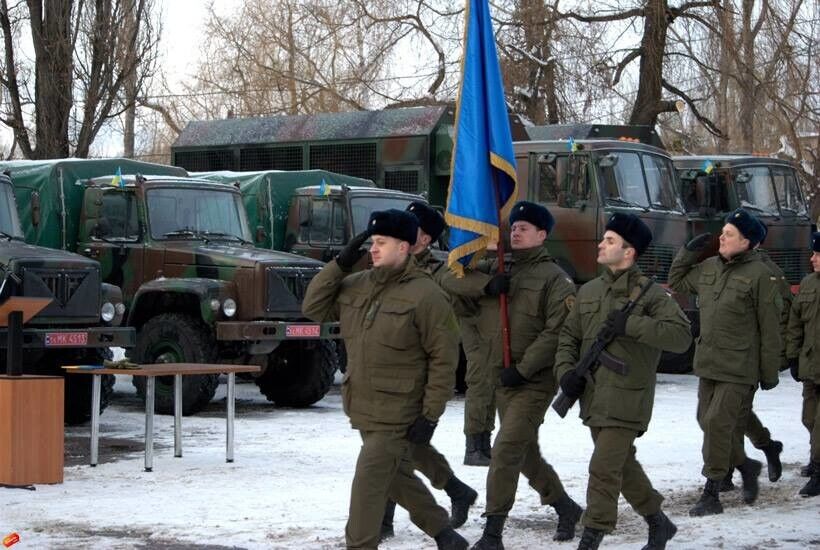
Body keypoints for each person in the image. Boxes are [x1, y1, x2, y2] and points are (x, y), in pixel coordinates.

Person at [302, 209, 468, 550]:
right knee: (394, 476)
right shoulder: (357, 285)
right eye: (371, 243)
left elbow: (444, 359)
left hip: (399, 411)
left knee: (368, 486)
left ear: (405, 247)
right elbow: (313, 306)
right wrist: (340, 263)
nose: (373, 249)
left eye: (381, 242)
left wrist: (430, 415)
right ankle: (444, 533)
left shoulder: (427, 295)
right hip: (363, 407)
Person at [443, 201, 582, 549]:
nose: (516, 231)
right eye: (514, 226)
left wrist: (522, 369)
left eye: (524, 227)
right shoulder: (496, 270)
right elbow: (446, 277)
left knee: (505, 450)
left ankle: (493, 534)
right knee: (524, 454)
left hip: (533, 381)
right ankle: (565, 507)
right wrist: (485, 286)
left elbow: (557, 331)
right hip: (500, 378)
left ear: (542, 234)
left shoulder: (555, 278)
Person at [555, 213, 691, 550]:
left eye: (610, 240)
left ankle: (591, 536)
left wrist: (632, 326)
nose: (601, 244)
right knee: (621, 466)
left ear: (629, 252)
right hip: (593, 395)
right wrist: (566, 373)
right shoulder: (589, 291)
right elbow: (568, 337)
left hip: (628, 398)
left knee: (603, 468)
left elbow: (681, 337)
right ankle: (659, 523)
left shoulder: (651, 296)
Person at [668, 208, 782, 516]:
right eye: (723, 231)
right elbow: (677, 279)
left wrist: (769, 371)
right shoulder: (708, 268)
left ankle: (712, 492)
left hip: (741, 366)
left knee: (718, 423)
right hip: (709, 362)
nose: (722, 236)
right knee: (706, 421)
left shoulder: (760, 275)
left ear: (746, 242)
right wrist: (687, 252)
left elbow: (770, 327)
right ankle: (747, 464)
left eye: (729, 233)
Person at [379, 202, 478, 539]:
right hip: (392, 368)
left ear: (422, 238)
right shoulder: (393, 267)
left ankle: (384, 520)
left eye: (411, 226)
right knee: (404, 447)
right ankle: (456, 491)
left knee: (393, 448)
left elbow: (463, 286)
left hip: (420, 374)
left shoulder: (438, 271)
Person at [721, 221, 789, 491]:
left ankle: (724, 473)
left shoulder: (767, 272)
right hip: (723, 357)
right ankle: (768, 446)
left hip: (747, 358)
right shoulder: (723, 266)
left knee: (732, 419)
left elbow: (777, 319)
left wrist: (770, 364)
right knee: (735, 414)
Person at [785, 231, 820, 497]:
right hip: (811, 366)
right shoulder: (808, 283)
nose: (812, 259)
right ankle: (815, 457)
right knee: (809, 418)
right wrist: (793, 356)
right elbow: (796, 322)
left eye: (818, 254)